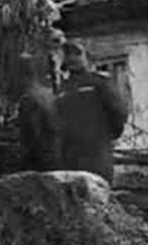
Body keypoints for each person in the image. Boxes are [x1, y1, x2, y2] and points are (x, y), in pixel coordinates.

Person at [54, 42, 128, 183]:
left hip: (93, 154)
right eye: (69, 54)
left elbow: (118, 113)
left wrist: (108, 136)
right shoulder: (62, 90)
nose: (73, 58)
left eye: (76, 53)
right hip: (77, 158)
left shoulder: (98, 83)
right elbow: (119, 113)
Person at [16, 53, 63, 171]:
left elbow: (33, 135)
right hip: (56, 154)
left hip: (40, 159)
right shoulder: (50, 95)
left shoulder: (29, 99)